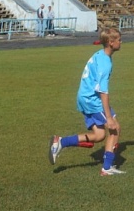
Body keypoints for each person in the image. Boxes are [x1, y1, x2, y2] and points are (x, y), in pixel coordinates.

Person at [49, 28, 125, 175]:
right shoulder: (105, 63)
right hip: (92, 99)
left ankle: (60, 142)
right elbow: (103, 91)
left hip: (83, 97)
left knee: (99, 136)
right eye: (119, 40)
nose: (121, 42)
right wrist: (109, 117)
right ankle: (107, 168)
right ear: (111, 42)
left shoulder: (100, 55)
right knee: (115, 128)